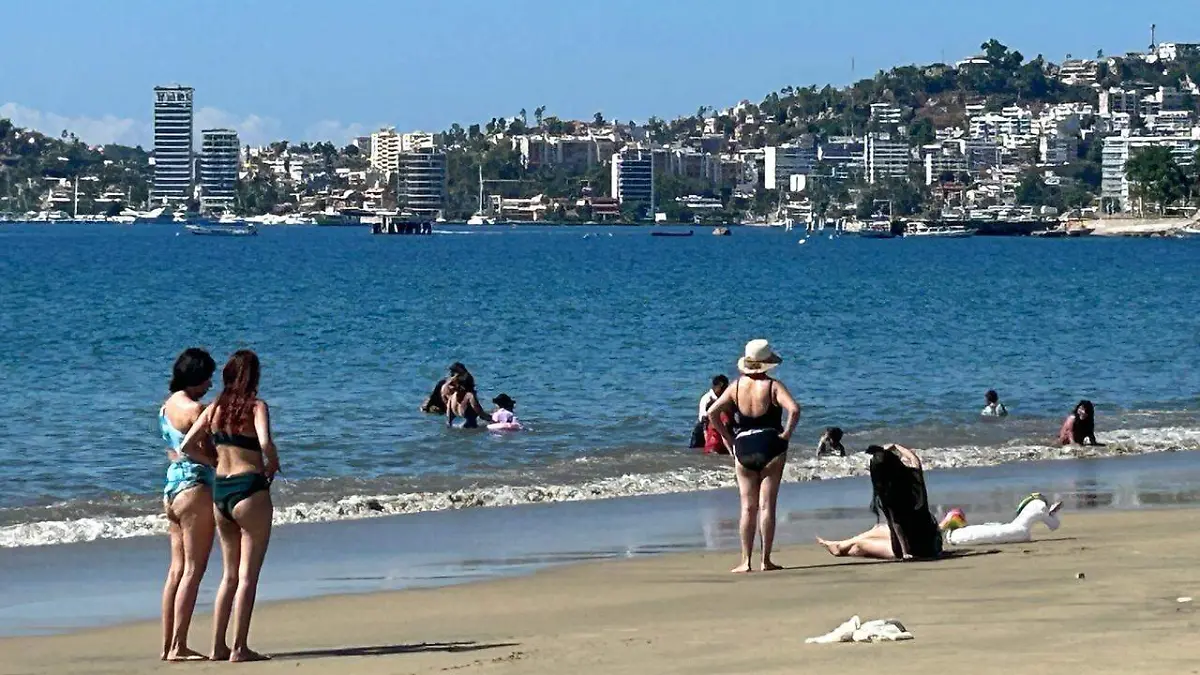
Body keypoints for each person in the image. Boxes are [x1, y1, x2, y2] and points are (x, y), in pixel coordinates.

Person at [179, 350, 279, 662]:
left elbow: (185, 446)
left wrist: (212, 459)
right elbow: (263, 442)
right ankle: (239, 647)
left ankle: (217, 646)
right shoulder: (257, 407)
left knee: (229, 576)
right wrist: (273, 464)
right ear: (254, 377)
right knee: (248, 576)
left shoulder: (213, 409)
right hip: (249, 489)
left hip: (221, 491)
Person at [708, 340, 801, 573]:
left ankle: (745, 561)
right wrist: (786, 434)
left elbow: (712, 413)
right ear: (767, 364)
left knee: (747, 508)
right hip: (771, 444)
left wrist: (728, 438)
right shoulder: (773, 386)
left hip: (744, 446)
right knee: (767, 506)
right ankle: (765, 560)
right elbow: (795, 409)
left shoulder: (736, 387)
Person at [159, 348, 217, 661]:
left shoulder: (166, 407)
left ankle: (168, 643)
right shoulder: (197, 410)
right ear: (197, 377)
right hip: (194, 488)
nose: (211, 383)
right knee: (194, 570)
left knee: (176, 570)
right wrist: (217, 463)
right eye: (207, 377)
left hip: (170, 487)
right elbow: (201, 449)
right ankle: (179, 646)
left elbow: (174, 449)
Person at [817, 444, 943, 560]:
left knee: (859, 546)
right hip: (933, 541)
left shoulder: (888, 496)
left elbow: (897, 526)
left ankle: (840, 547)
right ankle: (839, 545)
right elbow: (914, 459)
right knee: (878, 528)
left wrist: (905, 553)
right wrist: (895, 446)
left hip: (916, 550)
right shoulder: (914, 477)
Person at [690, 375, 729, 448]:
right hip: (702, 429)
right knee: (696, 450)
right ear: (717, 387)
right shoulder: (707, 398)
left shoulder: (723, 398)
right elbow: (704, 419)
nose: (725, 390)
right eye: (723, 388)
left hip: (715, 427)